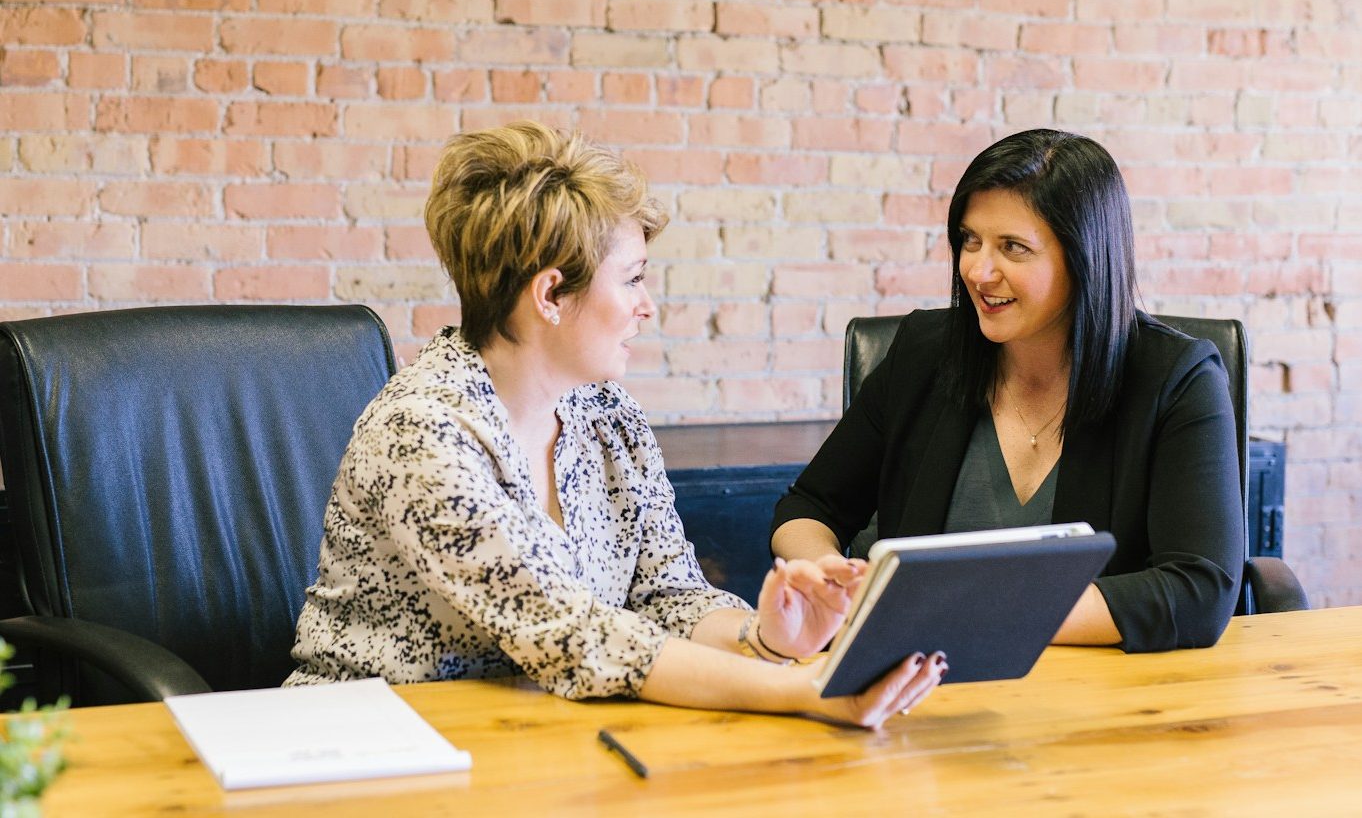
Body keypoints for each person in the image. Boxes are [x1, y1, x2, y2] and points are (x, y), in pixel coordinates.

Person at [287, 121, 943, 727]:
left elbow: (669, 595)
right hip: (368, 744)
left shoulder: (608, 417)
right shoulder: (422, 435)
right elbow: (574, 637)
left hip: (537, 737)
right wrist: (803, 690)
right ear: (550, 295)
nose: (647, 306)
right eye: (631, 279)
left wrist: (767, 638)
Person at [771, 129, 1244, 653]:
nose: (978, 270)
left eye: (1013, 248)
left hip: (1102, 694)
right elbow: (808, 507)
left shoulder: (1177, 379)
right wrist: (826, 576)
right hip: (919, 685)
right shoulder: (925, 354)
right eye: (970, 241)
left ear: (1084, 256)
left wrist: (964, 614)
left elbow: (1198, 589)